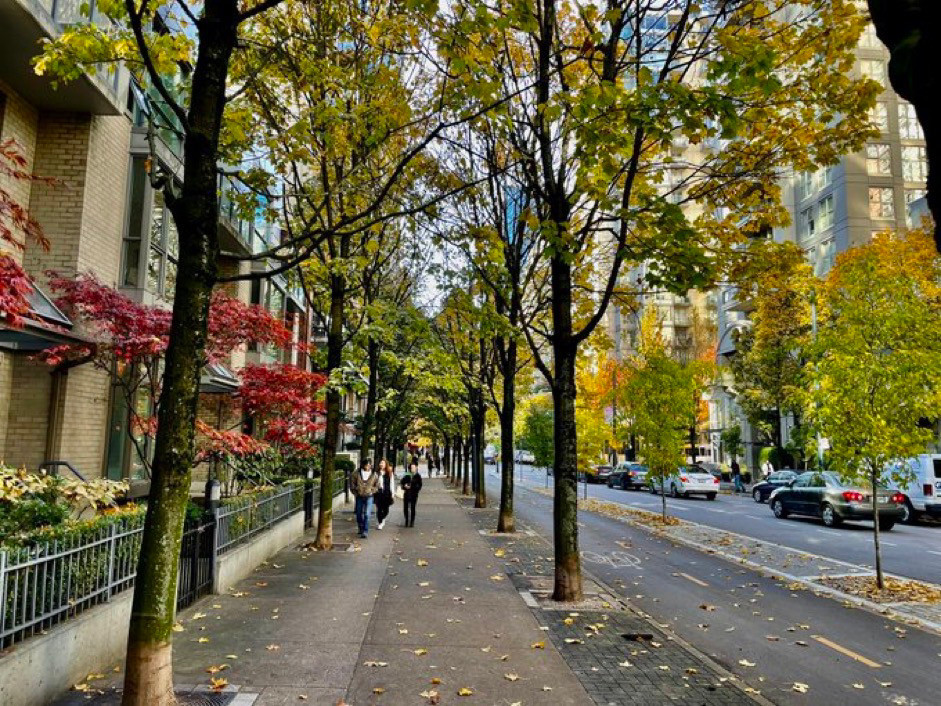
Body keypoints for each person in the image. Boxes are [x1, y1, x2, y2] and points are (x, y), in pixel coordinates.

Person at [351, 460, 379, 538]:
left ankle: (365, 531)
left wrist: (372, 491)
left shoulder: (374, 474)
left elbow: (377, 485)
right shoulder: (356, 473)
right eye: (366, 465)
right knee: (359, 514)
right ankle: (360, 527)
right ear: (363, 465)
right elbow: (352, 484)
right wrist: (356, 492)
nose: (367, 467)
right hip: (359, 496)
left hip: (369, 496)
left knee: (367, 514)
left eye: (369, 465)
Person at [374, 459, 395, 530]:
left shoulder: (389, 473)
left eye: (383, 463)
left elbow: (392, 484)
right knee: (379, 509)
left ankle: (383, 518)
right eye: (380, 463)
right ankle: (380, 523)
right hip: (378, 493)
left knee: (386, 510)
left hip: (387, 493)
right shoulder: (376, 473)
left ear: (386, 464)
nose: (381, 464)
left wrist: (392, 494)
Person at [401, 463, 423, 527]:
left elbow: (420, 485)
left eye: (413, 467)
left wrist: (413, 487)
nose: (412, 469)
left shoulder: (418, 476)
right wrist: (405, 485)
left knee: (413, 508)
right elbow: (402, 482)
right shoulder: (406, 474)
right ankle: (406, 520)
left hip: (414, 494)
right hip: (407, 494)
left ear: (416, 468)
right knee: (405, 508)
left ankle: (412, 521)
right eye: (411, 467)